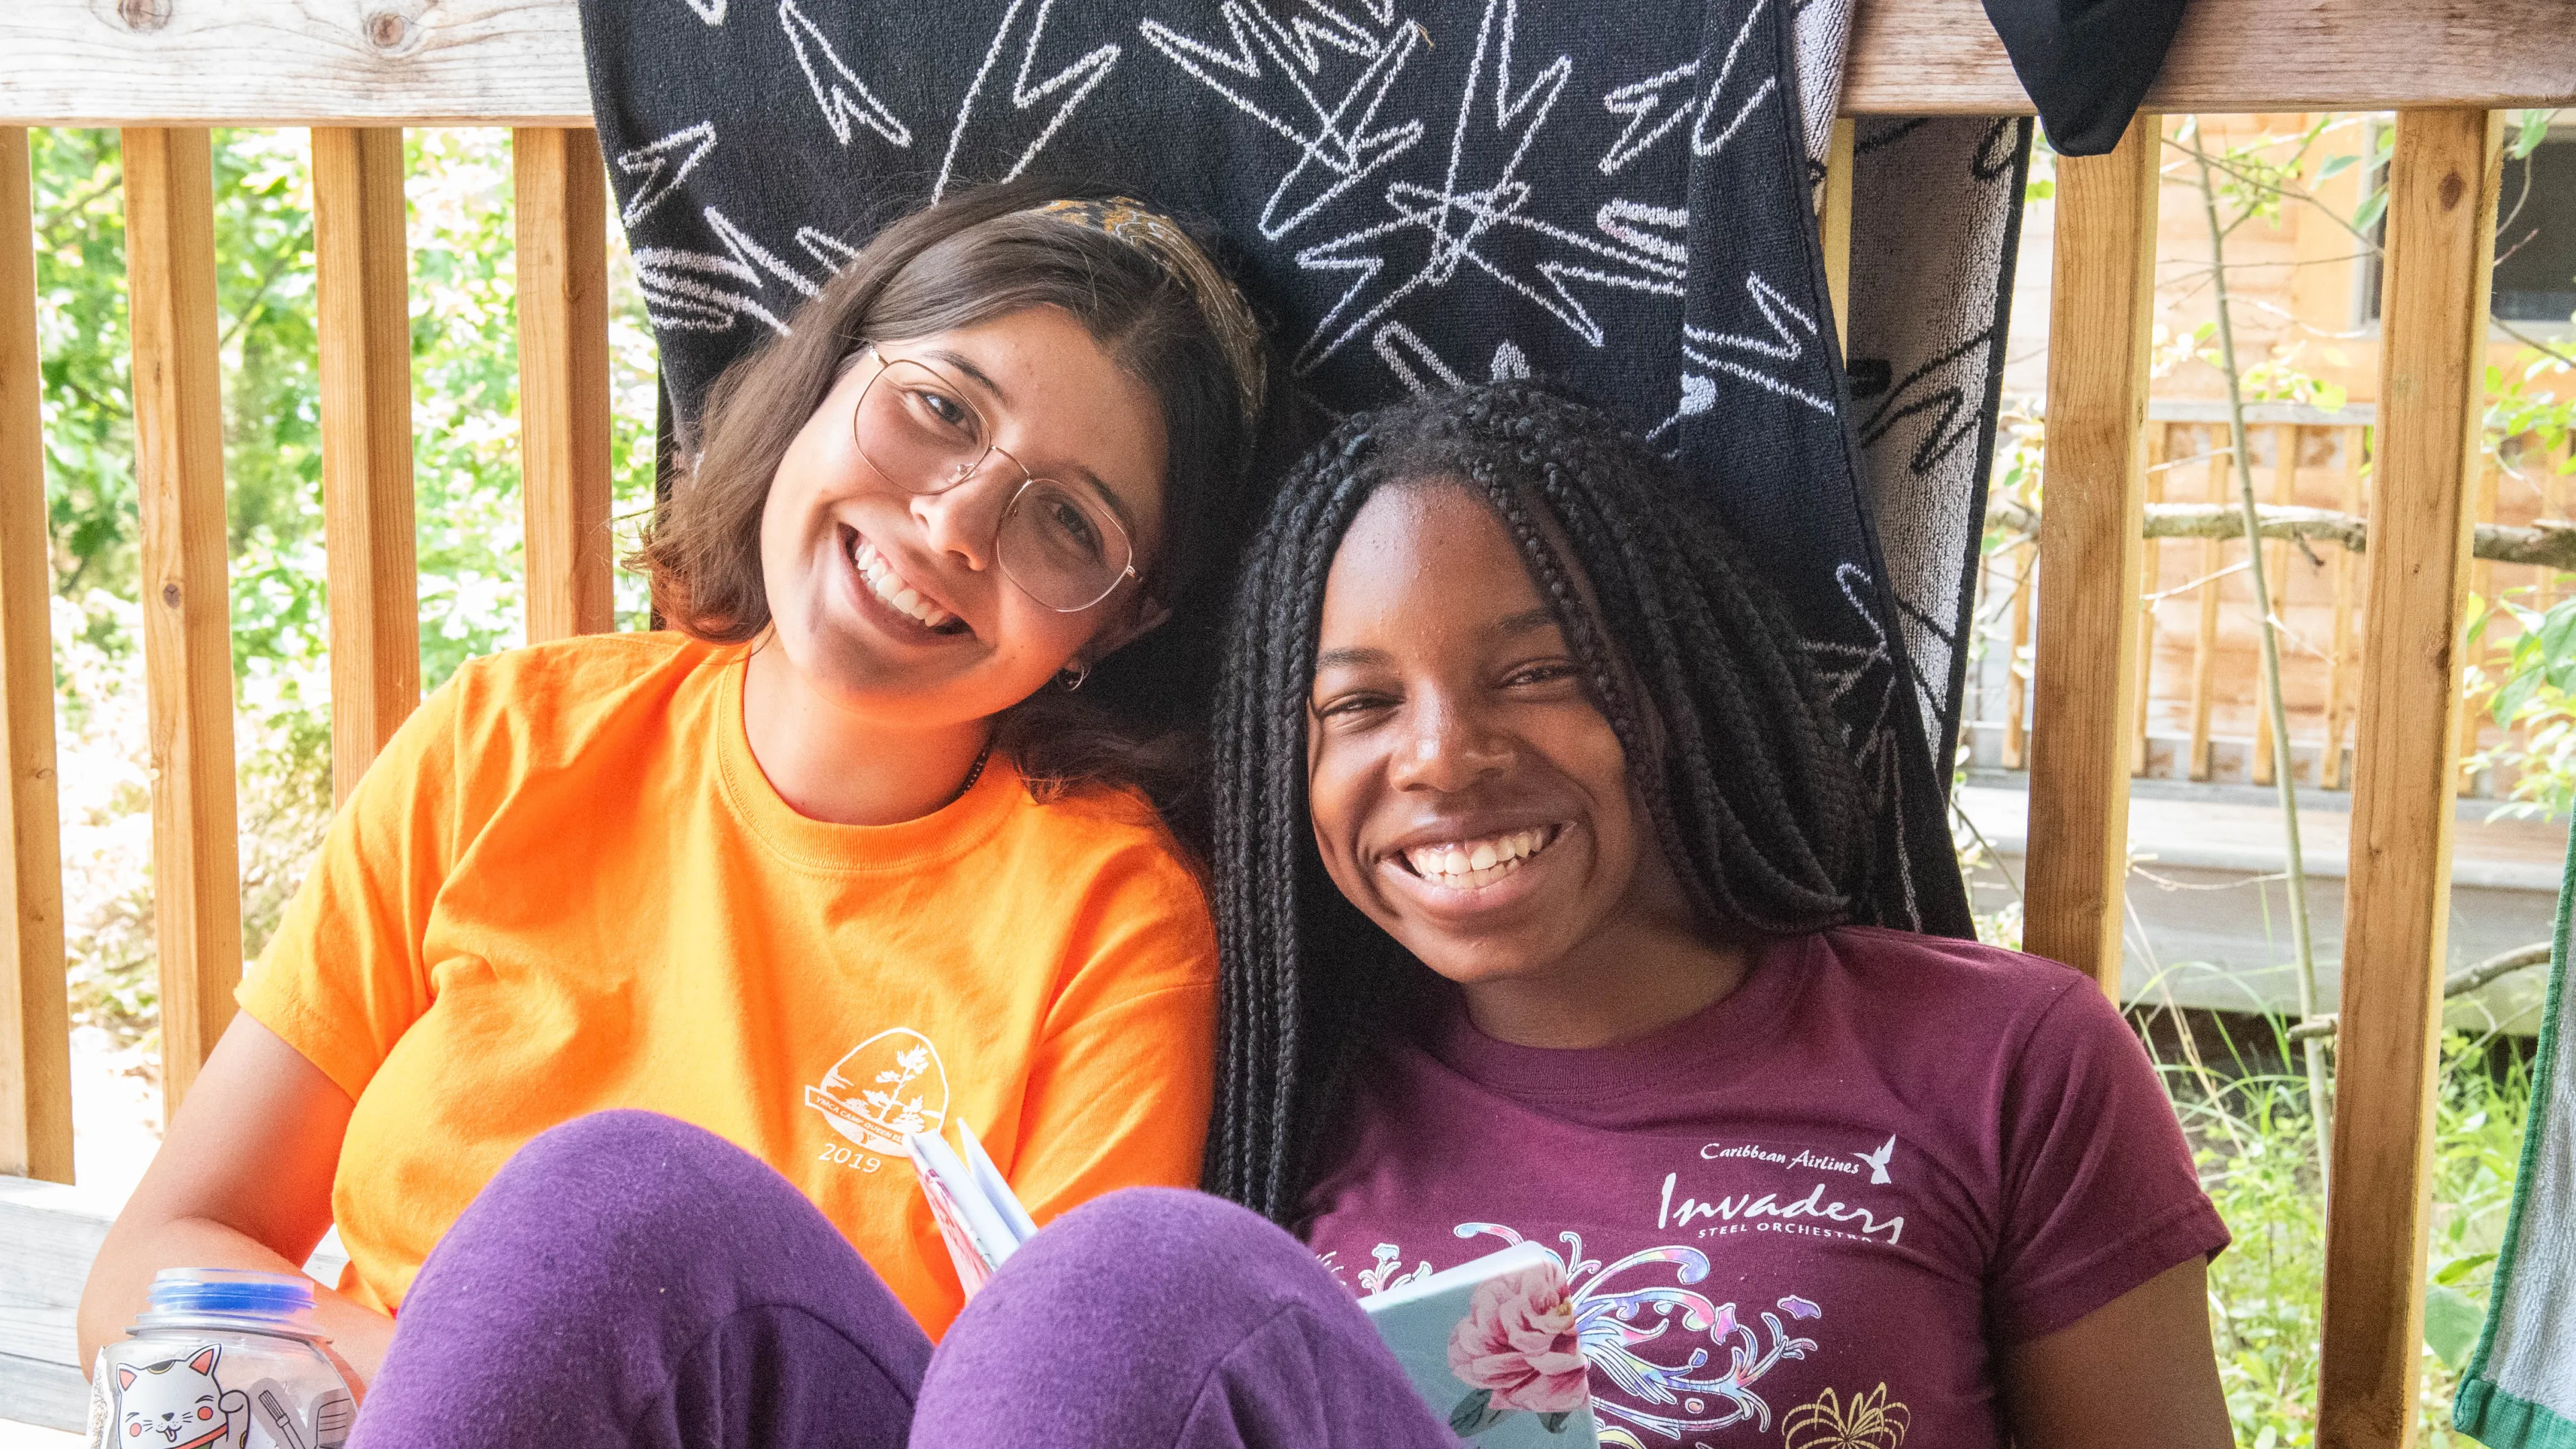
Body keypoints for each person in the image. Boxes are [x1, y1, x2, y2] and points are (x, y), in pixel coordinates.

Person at [319, 384, 2233, 1449]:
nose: (1445, 759)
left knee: (1131, 1285)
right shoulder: (1285, 1078)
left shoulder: (1993, 1057)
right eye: (1356, 708)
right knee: (609, 1211)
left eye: (1538, 671)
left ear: (1677, 681)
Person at [77, 182, 1273, 1385]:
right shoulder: (503, 743)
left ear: (1120, 625)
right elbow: (153, 1269)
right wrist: (471, 1404)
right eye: (938, 407)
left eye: (1067, 522)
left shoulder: (1113, 928)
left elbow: (1047, 1407)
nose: (955, 521)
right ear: (825, 377)